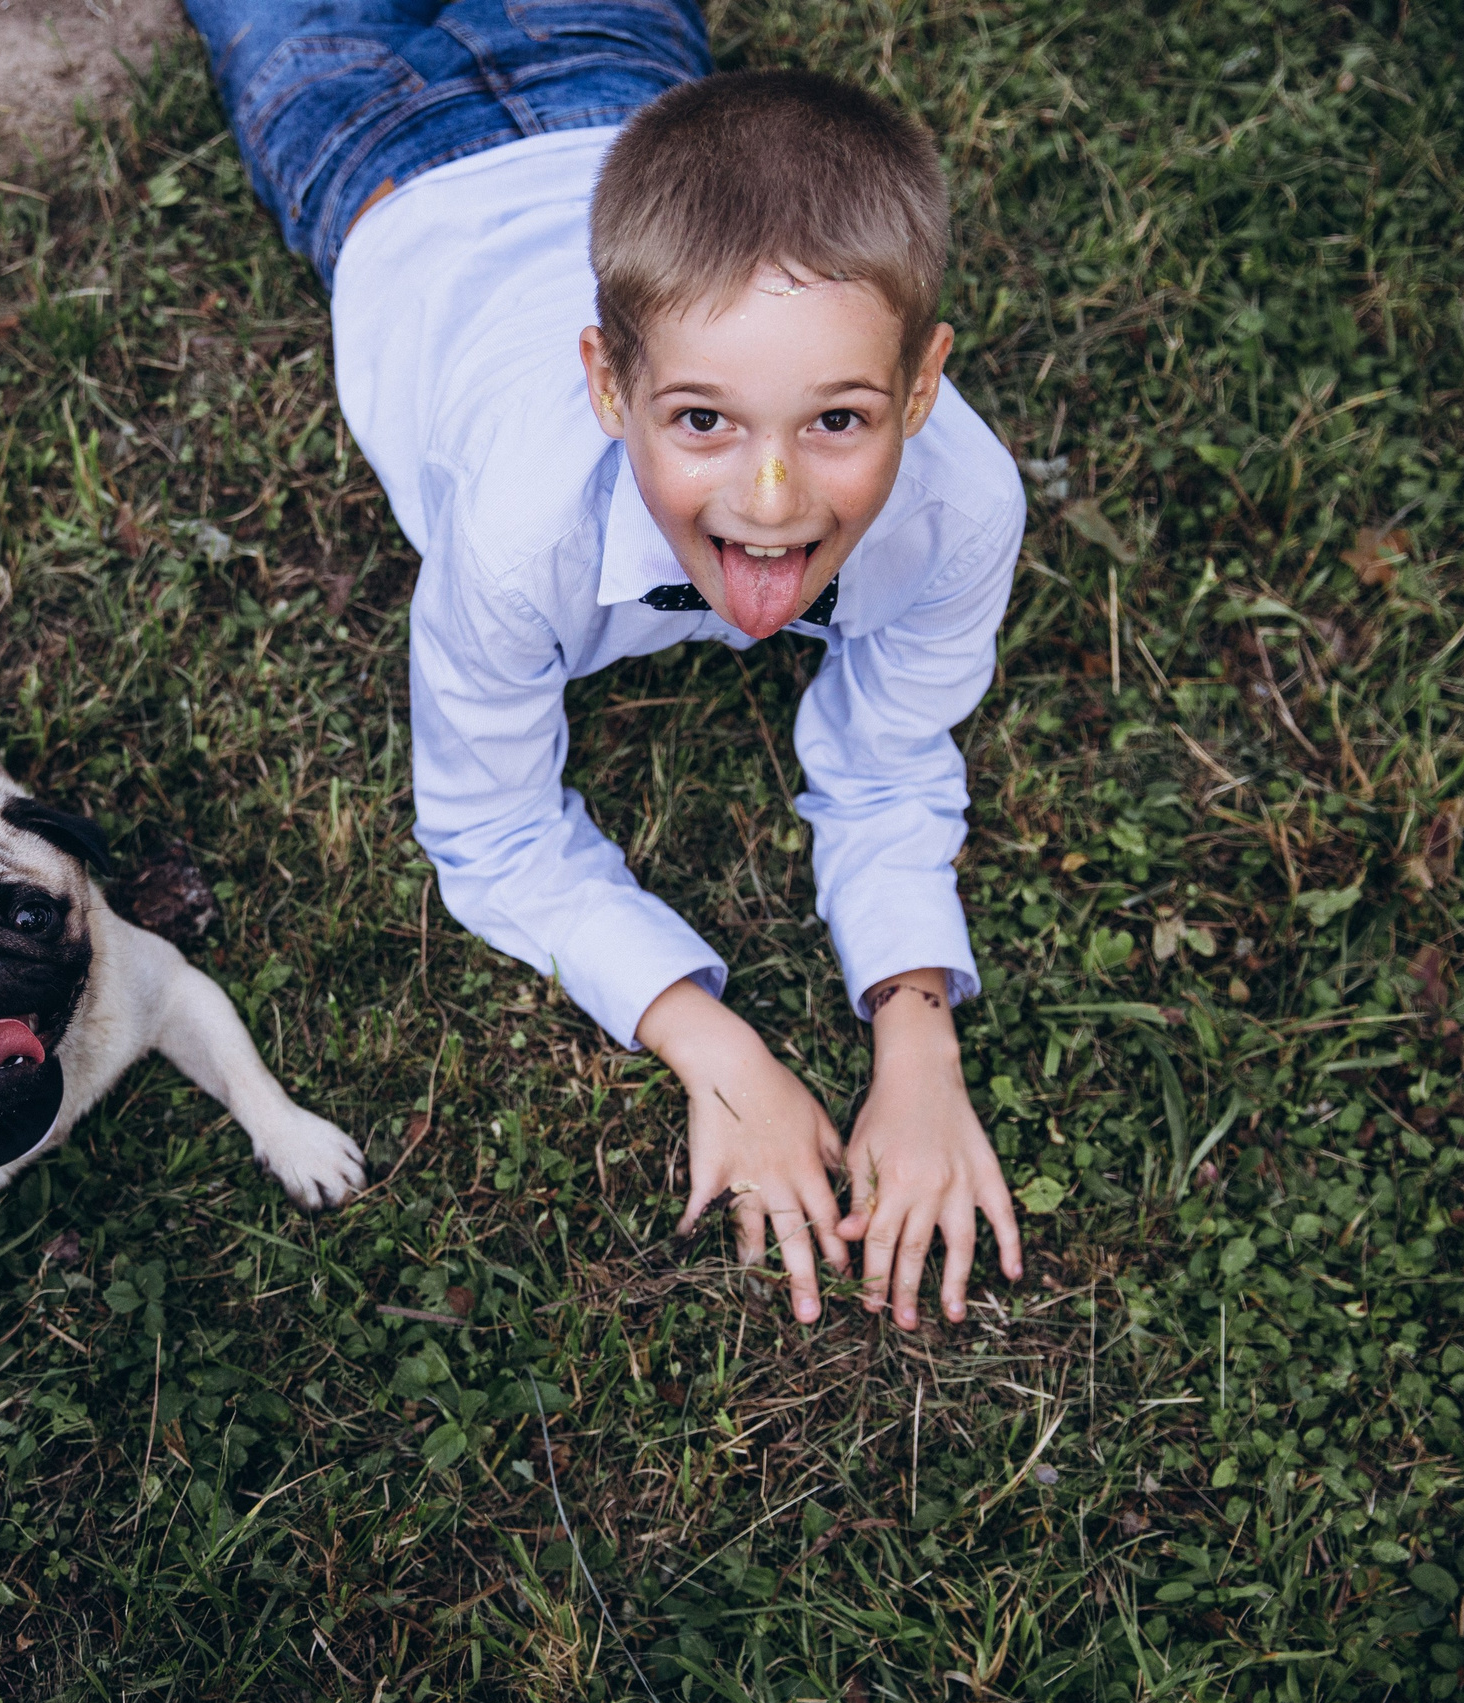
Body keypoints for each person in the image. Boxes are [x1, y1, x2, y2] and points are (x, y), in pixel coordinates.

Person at [180, 2, 1026, 1330]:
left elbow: (893, 754)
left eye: (839, 420)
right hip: (404, 160)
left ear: (922, 390)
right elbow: (491, 826)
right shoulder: (524, 535)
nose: (769, 493)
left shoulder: (961, 507)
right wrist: (712, 1043)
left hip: (505, 109)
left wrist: (915, 1033)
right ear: (606, 383)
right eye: (703, 419)